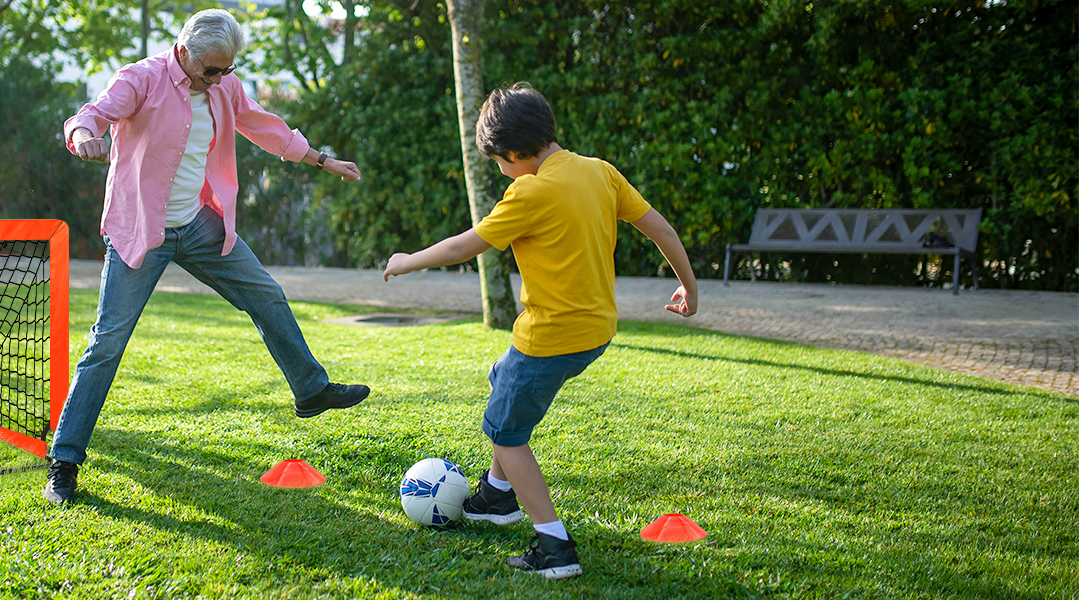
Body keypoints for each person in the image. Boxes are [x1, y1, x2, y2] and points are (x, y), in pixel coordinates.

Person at [46, 9, 370, 504]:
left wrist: (322, 160)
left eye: (227, 69)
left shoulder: (224, 87)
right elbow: (92, 114)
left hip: (198, 223)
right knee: (107, 343)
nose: (220, 78)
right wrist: (82, 137)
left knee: (266, 295)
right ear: (184, 52)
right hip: (142, 229)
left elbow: (266, 128)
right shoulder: (142, 79)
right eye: (212, 69)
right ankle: (64, 462)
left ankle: (311, 389)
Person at [382, 83, 699, 579]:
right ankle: (495, 496)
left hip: (549, 338)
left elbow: (463, 248)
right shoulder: (600, 172)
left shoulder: (530, 191)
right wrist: (689, 287)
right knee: (499, 378)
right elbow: (662, 229)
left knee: (507, 434)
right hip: (597, 330)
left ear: (512, 153)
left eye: (499, 163)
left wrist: (405, 262)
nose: (501, 171)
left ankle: (554, 547)